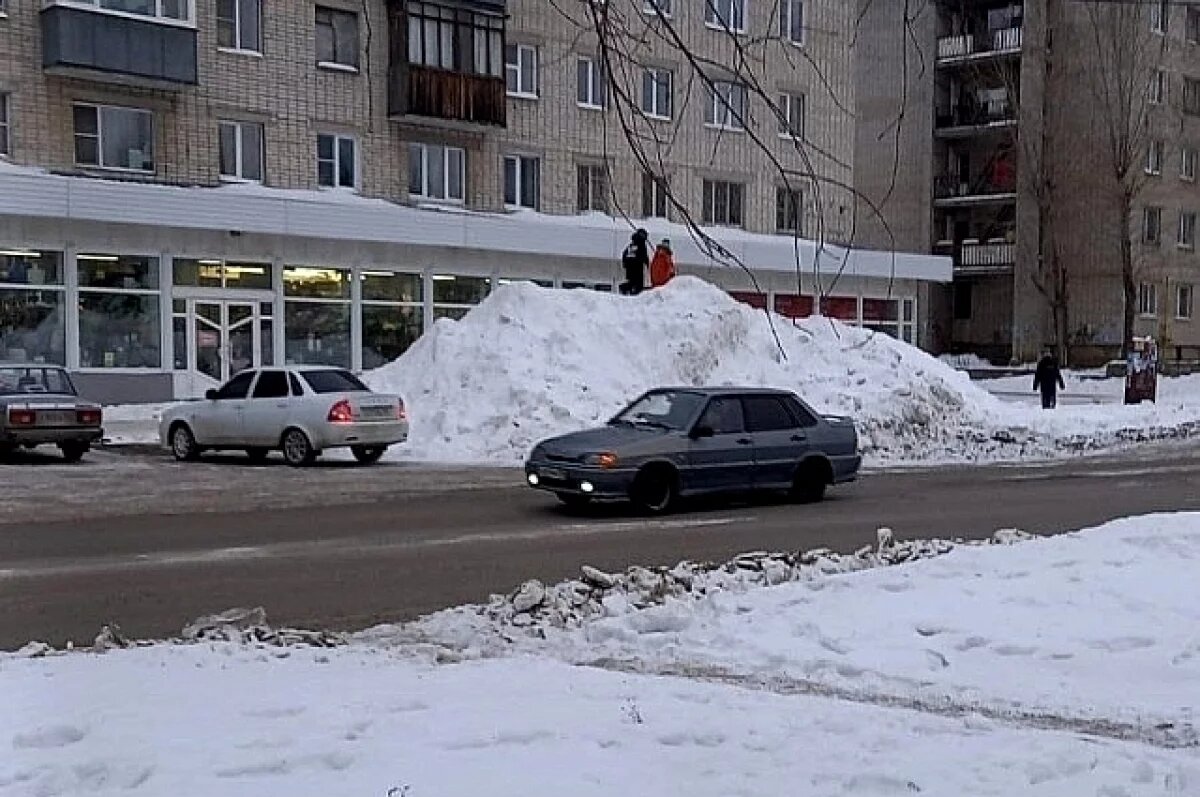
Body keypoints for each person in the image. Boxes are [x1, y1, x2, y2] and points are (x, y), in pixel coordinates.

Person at [620, 228, 649, 295]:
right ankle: (626, 289)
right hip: (637, 267)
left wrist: (625, 264)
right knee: (638, 285)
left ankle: (625, 289)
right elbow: (643, 255)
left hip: (629, 268)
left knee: (632, 282)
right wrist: (646, 262)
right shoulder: (641, 244)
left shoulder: (632, 244)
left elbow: (625, 254)